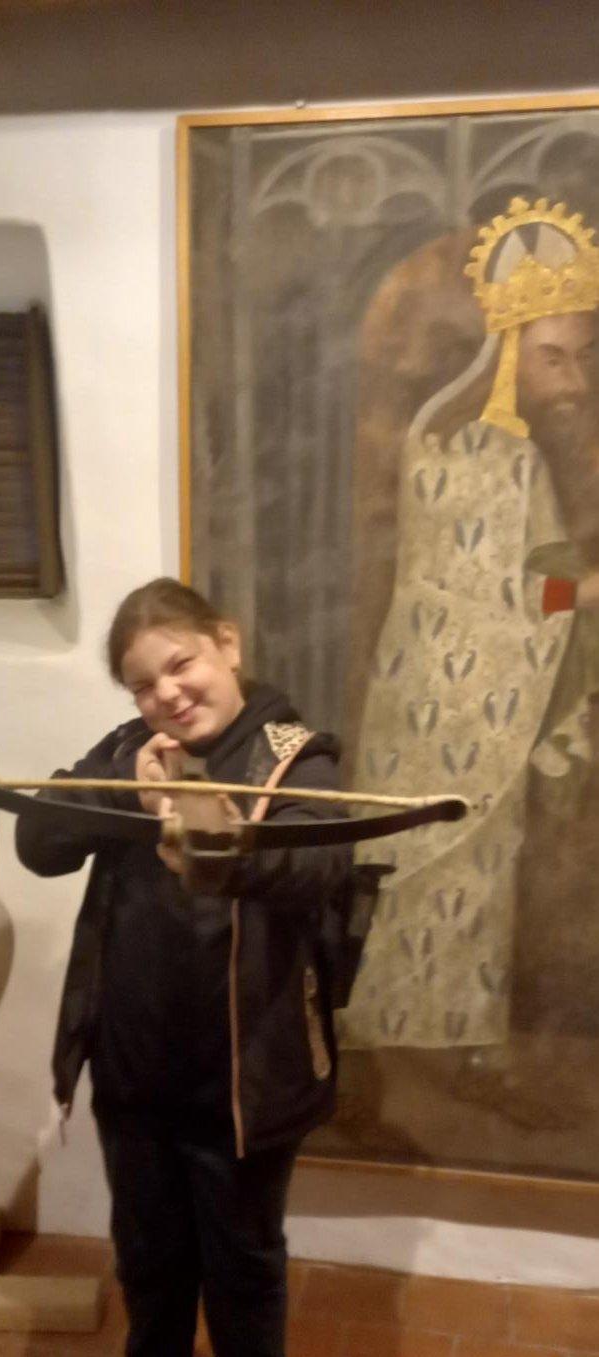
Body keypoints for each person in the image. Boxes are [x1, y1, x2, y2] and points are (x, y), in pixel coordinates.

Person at [15, 578, 354, 1357]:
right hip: (133, 1066)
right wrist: (127, 794)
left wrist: (216, 840)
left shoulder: (298, 755)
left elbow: (319, 861)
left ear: (226, 645)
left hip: (246, 1076)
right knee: (149, 1249)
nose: (166, 692)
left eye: (180, 663)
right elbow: (39, 840)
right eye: (142, 682)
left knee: (243, 1255)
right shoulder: (128, 751)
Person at [344, 198, 599, 1065]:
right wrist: (587, 593)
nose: (574, 381)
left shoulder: (509, 450)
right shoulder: (469, 450)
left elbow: (526, 574)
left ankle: (459, 1048)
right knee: (436, 883)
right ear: (509, 350)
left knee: (477, 888)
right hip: (445, 713)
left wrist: (569, 588)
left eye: (583, 358)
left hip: (474, 709)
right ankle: (411, 1054)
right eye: (554, 357)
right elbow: (490, 599)